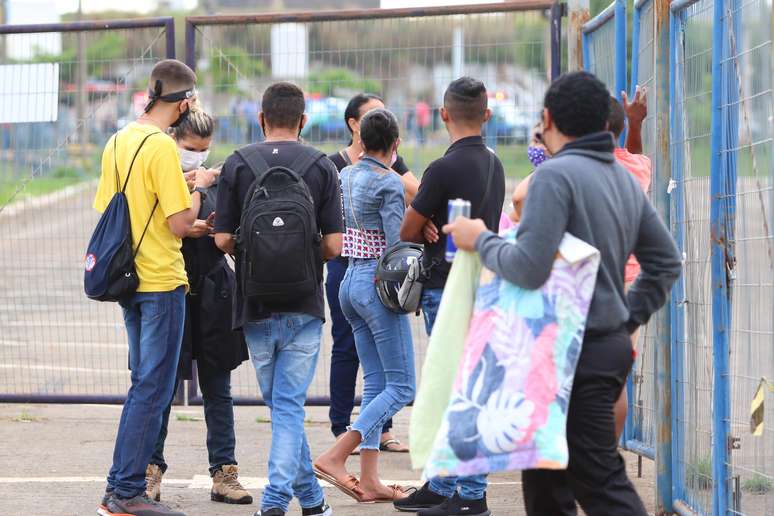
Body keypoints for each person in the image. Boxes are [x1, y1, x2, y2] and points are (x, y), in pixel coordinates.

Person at [444, 71, 681, 515]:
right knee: (547, 482)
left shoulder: (554, 177)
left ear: (549, 119)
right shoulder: (622, 178)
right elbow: (666, 263)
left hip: (573, 354)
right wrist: (625, 319)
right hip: (596, 347)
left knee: (597, 481)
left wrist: (481, 239)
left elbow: (529, 268)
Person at [214, 82, 342, 516]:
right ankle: (312, 501)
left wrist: (256, 257)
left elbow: (224, 239)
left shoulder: (237, 164)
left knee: (282, 407)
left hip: (255, 305)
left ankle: (276, 503)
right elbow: (335, 245)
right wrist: (301, 258)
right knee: (286, 409)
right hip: (305, 305)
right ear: (303, 121)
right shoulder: (322, 166)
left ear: (261, 119)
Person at [94, 59, 205, 516]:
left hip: (127, 278)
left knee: (143, 383)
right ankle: (124, 492)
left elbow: (108, 207)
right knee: (153, 387)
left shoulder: (117, 140)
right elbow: (179, 223)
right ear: (184, 102)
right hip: (160, 279)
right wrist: (197, 189)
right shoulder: (161, 147)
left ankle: (120, 487)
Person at [398, 77, 505, 516]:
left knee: (456, 387)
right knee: (459, 382)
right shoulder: (496, 164)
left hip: (444, 285)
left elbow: (407, 229)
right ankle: (443, 485)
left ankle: (471, 493)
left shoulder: (442, 169)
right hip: (484, 281)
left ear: (443, 114)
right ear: (487, 114)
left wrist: (424, 224)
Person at [143, 108, 252, 506]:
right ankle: (149, 472)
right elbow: (167, 225)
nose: (197, 157)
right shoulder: (158, 172)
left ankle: (224, 473)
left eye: (204, 150)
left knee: (218, 387)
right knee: (161, 387)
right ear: (173, 138)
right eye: (190, 148)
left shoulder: (218, 179)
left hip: (213, 290)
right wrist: (191, 212)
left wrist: (215, 226)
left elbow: (230, 230)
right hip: (167, 289)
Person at [313, 108, 415, 503]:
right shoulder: (388, 183)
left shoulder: (345, 174)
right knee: (402, 384)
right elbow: (395, 246)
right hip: (377, 285)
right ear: (395, 145)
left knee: (375, 382)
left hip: (348, 282)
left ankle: (370, 480)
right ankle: (338, 454)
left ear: (360, 140)